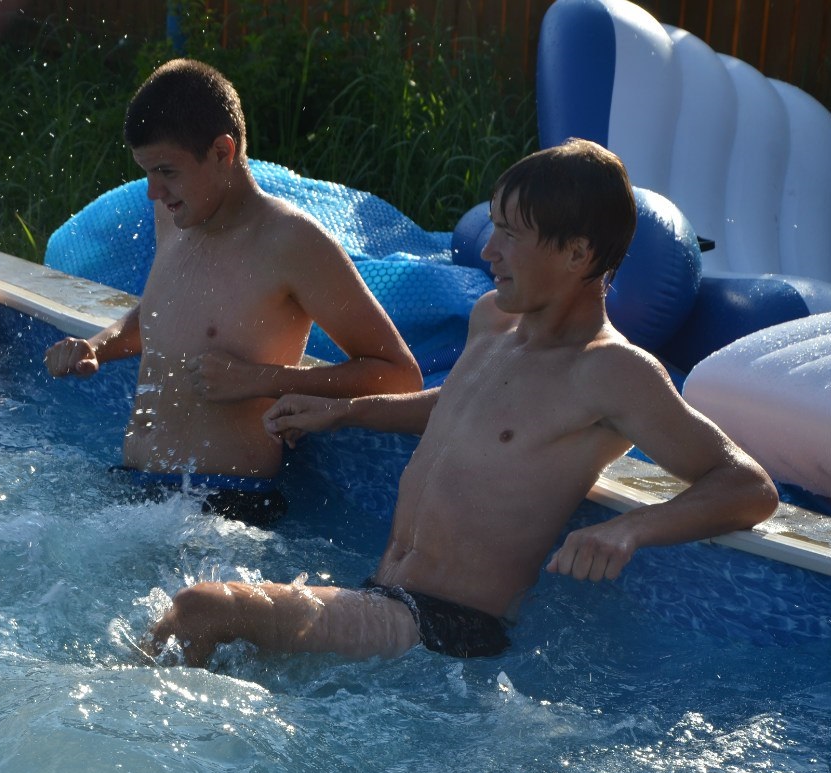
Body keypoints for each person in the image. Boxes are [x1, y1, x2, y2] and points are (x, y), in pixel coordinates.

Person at [147, 138, 779, 666]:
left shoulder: (612, 372)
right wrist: (347, 411)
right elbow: (457, 408)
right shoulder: (494, 322)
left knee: (202, 609)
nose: (488, 250)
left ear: (577, 253)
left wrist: (630, 529)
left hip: (448, 630)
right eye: (493, 227)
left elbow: (748, 486)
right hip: (385, 598)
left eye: (511, 234)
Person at [44, 59, 421, 523]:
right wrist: (97, 347)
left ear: (223, 151)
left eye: (166, 171)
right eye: (147, 173)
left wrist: (261, 380)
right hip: (136, 487)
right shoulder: (176, 216)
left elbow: (399, 376)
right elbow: (165, 312)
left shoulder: (290, 243)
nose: (152, 192)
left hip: (224, 508)